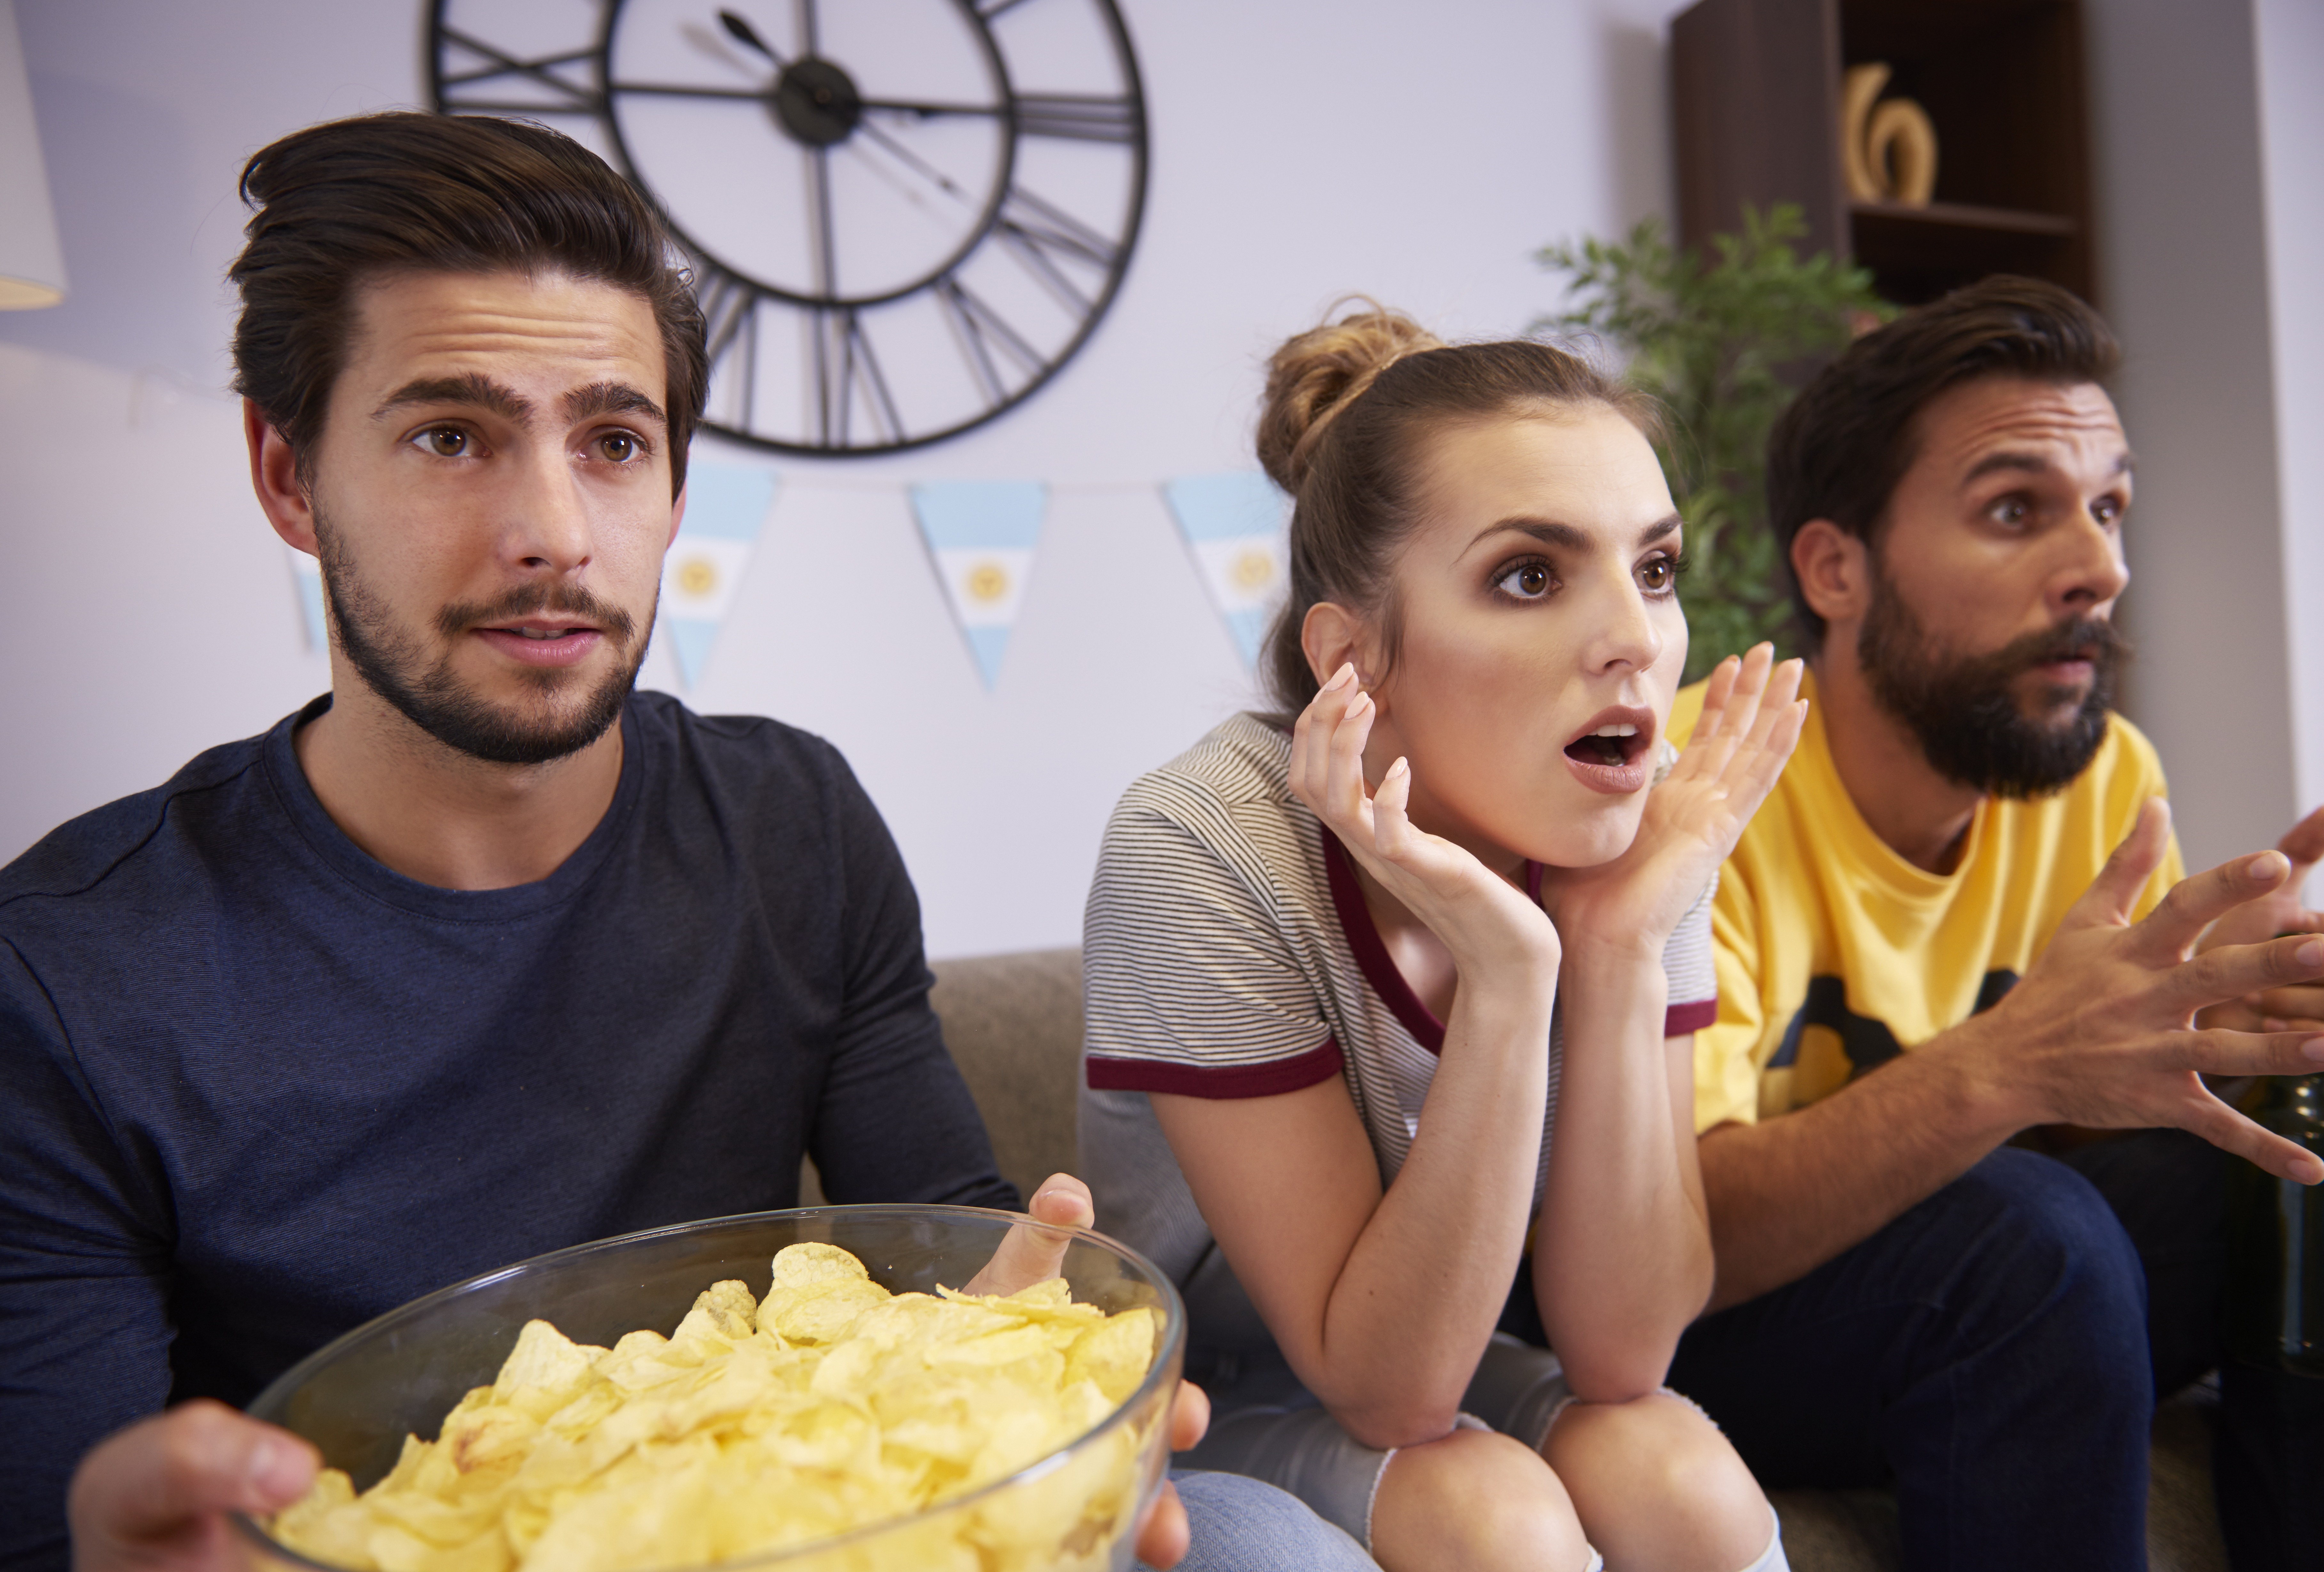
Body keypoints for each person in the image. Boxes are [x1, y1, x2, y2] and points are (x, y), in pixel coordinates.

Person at [0, 112, 1374, 1572]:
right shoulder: (70, 976)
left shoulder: (793, 824)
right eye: (450, 435)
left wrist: (1037, 1350)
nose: (552, 531)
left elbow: (949, 1235)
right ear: (289, 476)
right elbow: (63, 1526)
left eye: (612, 441)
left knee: (1252, 1543)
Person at [1078, 305, 1806, 1572]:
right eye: (1530, 574)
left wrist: (1623, 944)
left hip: (1454, 1355)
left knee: (1670, 1463)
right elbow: (1385, 1393)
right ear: (1354, 661)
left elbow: (1624, 1352)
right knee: (1491, 1516)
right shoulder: (1199, 845)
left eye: (1653, 567)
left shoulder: (1636, 822)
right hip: (1193, 1396)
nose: (1635, 639)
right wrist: (1516, 974)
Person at [1655, 276, 2324, 1572]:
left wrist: (2227, 1033)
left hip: (1979, 1282)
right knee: (2029, 1241)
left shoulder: (2101, 776)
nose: (2100, 568)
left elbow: (2087, 1117)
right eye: (2014, 510)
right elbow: (1675, 1243)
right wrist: (2013, 1059)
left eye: (2107, 508)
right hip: (1712, 1321)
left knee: (2310, 1148)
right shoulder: (1700, 787)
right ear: (1835, 568)